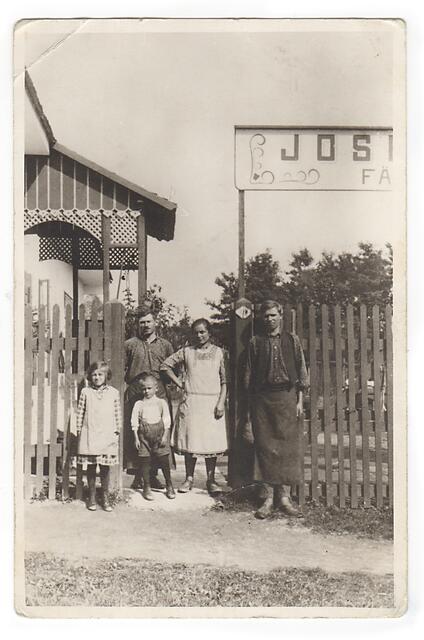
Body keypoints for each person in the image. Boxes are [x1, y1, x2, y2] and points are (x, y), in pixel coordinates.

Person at [244, 300, 308, 519]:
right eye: (266, 316)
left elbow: (301, 371)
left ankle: (285, 499)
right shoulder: (256, 342)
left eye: (273, 315)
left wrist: (300, 400)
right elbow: (249, 376)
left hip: (287, 398)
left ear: (281, 316)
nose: (269, 319)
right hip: (262, 400)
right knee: (265, 448)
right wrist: (251, 405)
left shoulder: (292, 340)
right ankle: (268, 499)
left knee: (288, 449)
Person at [161, 318, 228, 496]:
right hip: (192, 402)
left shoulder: (219, 353)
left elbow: (224, 381)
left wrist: (221, 402)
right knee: (191, 440)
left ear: (209, 333)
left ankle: (211, 479)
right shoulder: (186, 351)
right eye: (196, 332)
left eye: (202, 332)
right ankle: (189, 478)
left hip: (212, 403)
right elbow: (165, 366)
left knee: (210, 443)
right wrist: (180, 383)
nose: (199, 335)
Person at [124, 304, 174, 490]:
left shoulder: (165, 345)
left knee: (157, 432)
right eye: (142, 322)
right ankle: (138, 476)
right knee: (137, 433)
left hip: (159, 390)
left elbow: (172, 368)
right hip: (137, 391)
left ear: (155, 322)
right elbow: (124, 368)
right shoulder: (130, 344)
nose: (145, 325)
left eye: (149, 321)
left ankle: (153, 476)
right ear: (138, 324)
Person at [76, 361, 122, 512]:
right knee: (91, 466)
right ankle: (92, 497)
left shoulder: (113, 392)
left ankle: (106, 497)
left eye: (100, 374)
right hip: (90, 433)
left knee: (105, 467)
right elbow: (80, 412)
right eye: (94, 374)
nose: (97, 377)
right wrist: (79, 430)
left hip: (107, 434)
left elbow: (117, 413)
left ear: (106, 376)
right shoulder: (86, 392)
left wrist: (117, 430)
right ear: (90, 376)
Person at [131, 373, 175, 500]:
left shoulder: (161, 403)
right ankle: (147, 486)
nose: (146, 391)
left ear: (156, 388)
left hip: (160, 435)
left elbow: (167, 421)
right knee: (144, 460)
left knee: (164, 460)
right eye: (144, 388)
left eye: (149, 388)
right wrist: (136, 437)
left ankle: (169, 485)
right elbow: (134, 422)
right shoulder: (139, 404)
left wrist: (165, 436)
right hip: (143, 436)